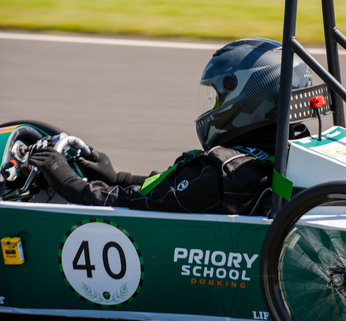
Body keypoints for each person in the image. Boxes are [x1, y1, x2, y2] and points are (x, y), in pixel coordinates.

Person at [28, 38, 312, 215]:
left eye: (215, 97)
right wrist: (118, 177)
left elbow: (141, 204)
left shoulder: (221, 174)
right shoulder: (277, 153)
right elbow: (176, 189)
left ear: (245, 101)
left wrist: (68, 182)